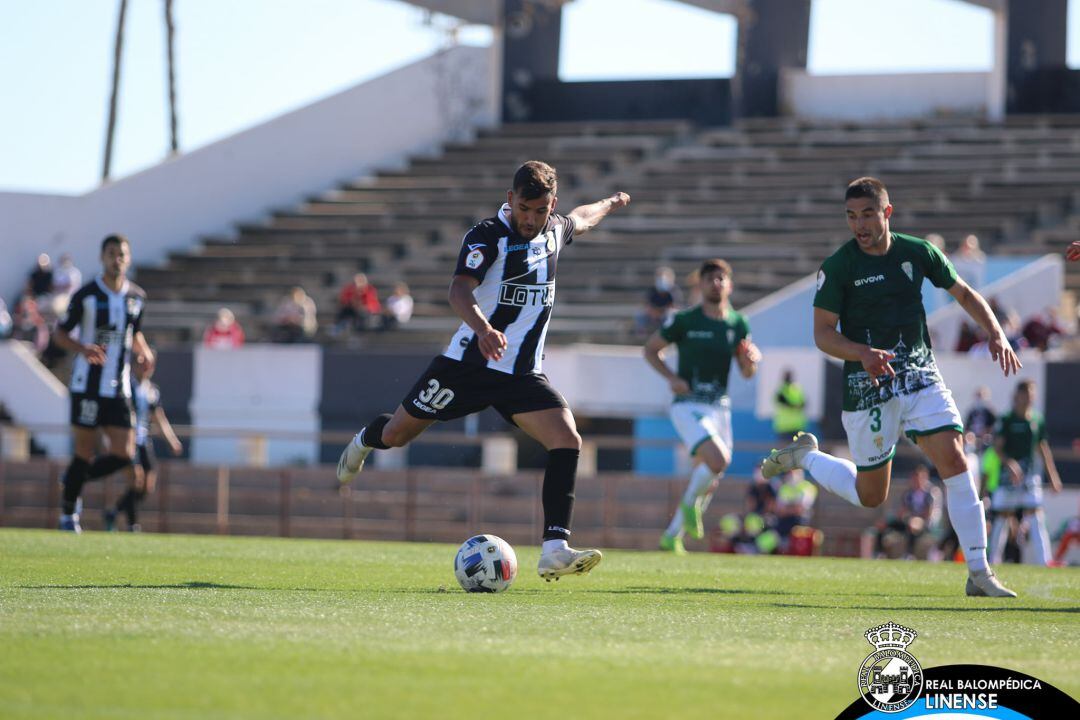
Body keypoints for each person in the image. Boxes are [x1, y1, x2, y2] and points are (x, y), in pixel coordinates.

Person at [335, 161, 630, 581]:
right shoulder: (487, 237)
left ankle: (554, 549)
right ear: (510, 199)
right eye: (524, 208)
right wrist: (484, 329)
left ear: (551, 207)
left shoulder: (554, 231)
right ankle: (365, 440)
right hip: (467, 365)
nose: (530, 219)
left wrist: (612, 202)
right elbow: (459, 289)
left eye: (540, 211)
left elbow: (583, 217)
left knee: (567, 438)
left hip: (522, 373)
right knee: (397, 435)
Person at [761, 176, 1022, 597]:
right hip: (868, 385)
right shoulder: (839, 266)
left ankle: (979, 570)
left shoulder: (917, 252)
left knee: (954, 459)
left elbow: (965, 293)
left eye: (867, 214)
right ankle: (807, 457)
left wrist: (995, 332)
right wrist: (862, 353)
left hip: (919, 374)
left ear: (887, 212)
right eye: (851, 216)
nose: (859, 224)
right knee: (871, 496)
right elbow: (823, 334)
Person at [643, 259, 761, 554]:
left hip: (720, 407)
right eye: (710, 278)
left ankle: (672, 536)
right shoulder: (686, 320)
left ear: (730, 285)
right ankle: (689, 504)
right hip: (688, 405)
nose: (716, 283)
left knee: (709, 478)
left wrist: (750, 364)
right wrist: (671, 377)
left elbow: (747, 372)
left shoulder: (738, 324)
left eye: (721, 278)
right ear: (701, 285)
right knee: (718, 461)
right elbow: (650, 350)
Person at [51, 234, 151, 533]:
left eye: (121, 254)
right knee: (84, 451)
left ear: (128, 258)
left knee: (125, 453)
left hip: (118, 386)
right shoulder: (86, 295)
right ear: (101, 258)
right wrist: (82, 348)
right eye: (111, 253)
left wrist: (143, 352)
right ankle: (69, 515)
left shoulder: (137, 298)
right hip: (87, 385)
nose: (116, 259)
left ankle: (72, 480)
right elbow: (60, 333)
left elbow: (134, 334)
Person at [103, 354, 183, 531]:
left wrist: (172, 440)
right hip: (128, 440)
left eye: (148, 363)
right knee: (136, 480)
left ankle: (115, 511)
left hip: (144, 440)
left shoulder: (152, 390)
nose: (144, 366)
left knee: (148, 485)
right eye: (140, 362)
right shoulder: (126, 386)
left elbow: (158, 418)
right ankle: (132, 524)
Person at [988, 380, 1062, 566]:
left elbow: (1043, 448)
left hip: (1029, 476)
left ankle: (1045, 561)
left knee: (1035, 514)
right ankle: (992, 561)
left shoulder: (1037, 419)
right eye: (1025, 394)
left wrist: (1052, 476)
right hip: (1007, 477)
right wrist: (1010, 463)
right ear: (1018, 395)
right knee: (1003, 517)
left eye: (1031, 394)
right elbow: (997, 449)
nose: (1028, 398)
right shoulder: (1006, 419)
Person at [773, 369, 807, 441]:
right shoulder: (781, 390)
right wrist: (796, 406)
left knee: (795, 450)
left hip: (796, 426)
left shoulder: (796, 389)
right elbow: (784, 403)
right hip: (785, 428)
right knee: (787, 450)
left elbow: (804, 404)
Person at [965, 386, 996, 453]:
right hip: (974, 439)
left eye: (980, 396)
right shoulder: (972, 412)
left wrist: (985, 433)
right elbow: (967, 428)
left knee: (988, 440)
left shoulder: (989, 412)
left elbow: (994, 426)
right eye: (977, 396)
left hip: (986, 438)